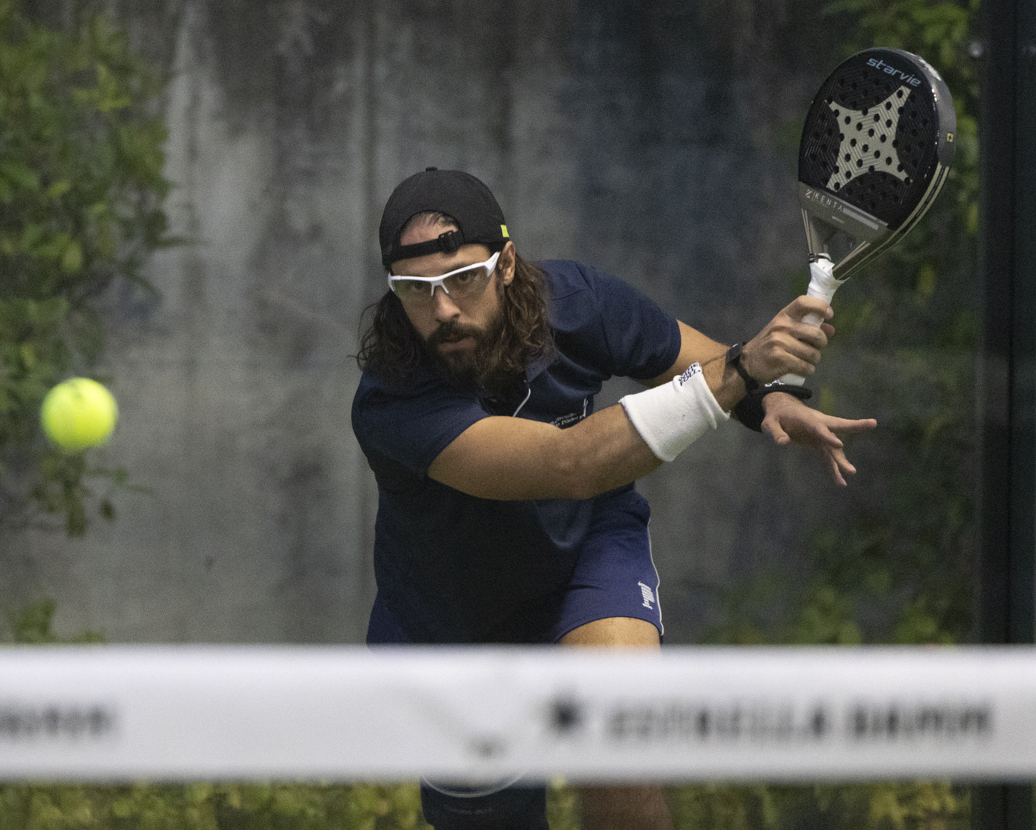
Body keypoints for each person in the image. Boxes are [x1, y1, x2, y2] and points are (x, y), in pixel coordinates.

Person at [351, 168, 877, 830]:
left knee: (621, 735)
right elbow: (571, 463)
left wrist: (769, 395)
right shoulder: (391, 400)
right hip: (455, 614)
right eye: (416, 291)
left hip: (586, 551)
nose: (444, 308)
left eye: (463, 278)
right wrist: (745, 370)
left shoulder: (578, 302)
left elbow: (691, 360)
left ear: (506, 264)